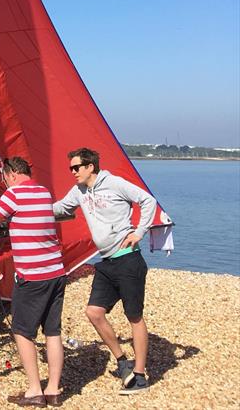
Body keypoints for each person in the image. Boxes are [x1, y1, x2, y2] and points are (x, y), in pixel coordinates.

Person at [53, 148, 156, 395]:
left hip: (128, 260)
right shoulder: (79, 191)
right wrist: (22, 210)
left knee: (134, 317)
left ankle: (140, 375)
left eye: (76, 167)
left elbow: (148, 200)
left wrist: (139, 232)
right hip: (106, 263)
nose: (73, 172)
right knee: (94, 312)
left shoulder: (115, 183)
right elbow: (58, 208)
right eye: (71, 168)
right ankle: (122, 362)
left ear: (90, 167)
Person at [0, 156, 65, 407]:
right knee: (52, 331)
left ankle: (35, 391)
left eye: (5, 178)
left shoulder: (13, 194)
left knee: (22, 331)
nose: (5, 183)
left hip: (32, 275)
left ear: (12, 174)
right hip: (56, 272)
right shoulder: (43, 192)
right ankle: (54, 389)